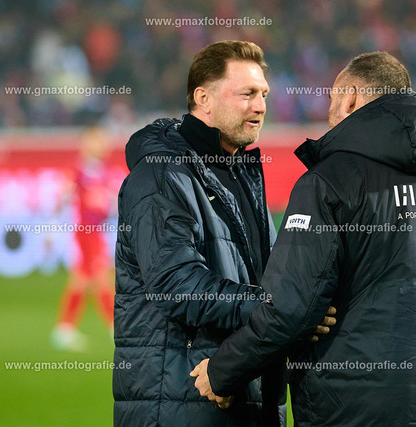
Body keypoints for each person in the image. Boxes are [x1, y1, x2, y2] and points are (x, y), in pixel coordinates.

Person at [192, 51, 416, 426]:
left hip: (360, 406)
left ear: (349, 98)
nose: (328, 111)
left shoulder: (328, 181)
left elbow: (290, 306)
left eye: (332, 99)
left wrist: (222, 371)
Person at [113, 40, 334, 427]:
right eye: (247, 94)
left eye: (264, 94)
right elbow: (176, 284)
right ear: (204, 98)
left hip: (244, 395)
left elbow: (267, 281)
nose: (260, 106)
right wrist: (281, 308)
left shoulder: (242, 172)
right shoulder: (162, 175)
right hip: (181, 402)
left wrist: (300, 304)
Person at [51, 125, 115, 351]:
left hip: (97, 232)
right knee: (101, 278)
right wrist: (51, 230)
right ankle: (116, 328)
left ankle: (64, 329)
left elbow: (106, 207)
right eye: (98, 140)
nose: (103, 145)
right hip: (84, 233)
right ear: (87, 144)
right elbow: (62, 198)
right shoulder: (78, 171)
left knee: (82, 280)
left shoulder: (102, 172)